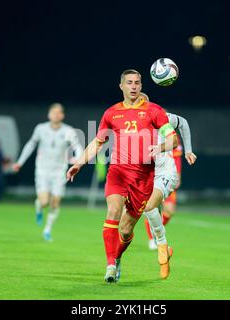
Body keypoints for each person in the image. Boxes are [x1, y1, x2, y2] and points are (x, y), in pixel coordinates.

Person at [66, 69, 178, 282]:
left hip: (143, 178)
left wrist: (160, 146)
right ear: (121, 86)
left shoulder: (155, 111)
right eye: (129, 82)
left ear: (141, 86)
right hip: (118, 172)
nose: (133, 86)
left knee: (126, 231)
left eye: (137, 82)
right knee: (113, 210)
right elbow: (98, 143)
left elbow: (173, 140)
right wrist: (79, 163)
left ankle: (116, 259)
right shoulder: (111, 113)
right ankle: (109, 266)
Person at [12, 103, 83, 241]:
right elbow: (31, 144)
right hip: (43, 171)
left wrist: (78, 159)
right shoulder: (40, 129)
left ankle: (47, 230)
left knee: (55, 202)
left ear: (62, 115)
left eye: (59, 113)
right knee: (44, 201)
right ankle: (39, 207)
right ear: (49, 114)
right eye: (53, 112)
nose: (56, 115)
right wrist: (19, 162)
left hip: (59, 172)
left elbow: (77, 146)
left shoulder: (68, 131)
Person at [136, 94, 197, 251]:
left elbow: (182, 123)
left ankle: (157, 239)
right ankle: (156, 239)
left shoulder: (161, 118)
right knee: (146, 211)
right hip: (146, 173)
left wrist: (188, 151)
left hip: (165, 172)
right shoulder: (130, 124)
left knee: (164, 209)